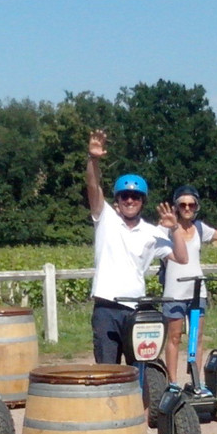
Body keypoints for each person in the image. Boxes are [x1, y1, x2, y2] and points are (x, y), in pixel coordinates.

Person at [86, 129, 187, 364]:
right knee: (108, 372)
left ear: (143, 201)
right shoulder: (106, 218)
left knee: (138, 371)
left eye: (136, 197)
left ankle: (142, 403)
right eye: (124, 196)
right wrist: (93, 160)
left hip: (136, 309)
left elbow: (181, 258)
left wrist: (175, 229)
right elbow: (92, 186)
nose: (130, 201)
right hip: (106, 308)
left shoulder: (152, 232)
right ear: (117, 200)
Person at [161, 185, 217, 391]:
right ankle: (172, 382)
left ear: (196, 207)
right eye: (183, 204)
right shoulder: (165, 229)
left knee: (197, 336)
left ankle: (196, 380)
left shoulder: (200, 228)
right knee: (174, 337)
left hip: (197, 290)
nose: (187, 208)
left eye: (191, 204)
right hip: (174, 292)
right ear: (176, 206)